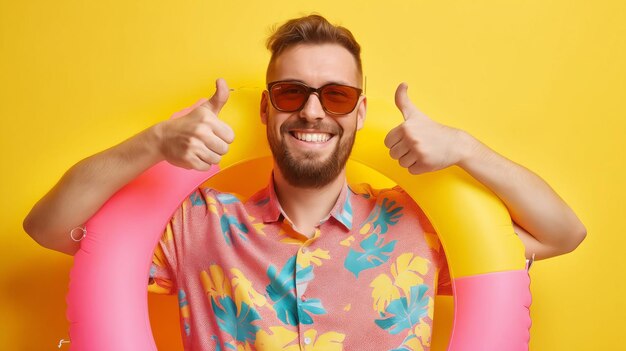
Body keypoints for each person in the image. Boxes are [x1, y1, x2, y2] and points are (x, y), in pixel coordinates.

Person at [24, 14, 585, 351]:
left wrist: (464, 149)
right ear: (267, 110)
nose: (313, 112)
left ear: (360, 113)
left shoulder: (419, 229)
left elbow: (563, 234)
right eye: (292, 93)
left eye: (335, 95)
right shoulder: (199, 226)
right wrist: (153, 144)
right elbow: (47, 226)